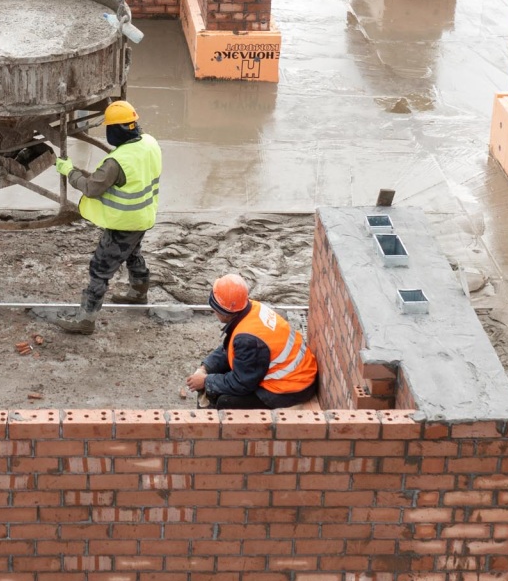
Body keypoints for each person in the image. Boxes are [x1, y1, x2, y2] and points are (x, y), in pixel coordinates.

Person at [50, 99, 161, 335]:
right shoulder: (150, 143)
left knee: (100, 268)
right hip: (144, 216)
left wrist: (69, 171)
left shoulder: (116, 162)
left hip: (124, 222)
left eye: (108, 128)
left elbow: (91, 188)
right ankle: (139, 293)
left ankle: (86, 319)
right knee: (132, 254)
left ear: (116, 130)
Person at [186, 273, 319, 408]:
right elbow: (230, 348)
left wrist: (207, 382)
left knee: (224, 401)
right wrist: (206, 368)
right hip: (299, 373)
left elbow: (242, 383)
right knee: (218, 380)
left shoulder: (248, 340)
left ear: (223, 311)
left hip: (292, 388)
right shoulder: (251, 308)